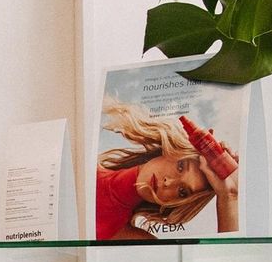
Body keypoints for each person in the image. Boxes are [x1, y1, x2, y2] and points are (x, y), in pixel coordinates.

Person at [96, 102, 239, 240]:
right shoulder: (85, 162)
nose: (168, 182)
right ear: (171, 150)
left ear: (175, 204)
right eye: (180, 167)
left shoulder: (126, 235)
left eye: (182, 192)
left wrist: (229, 196)